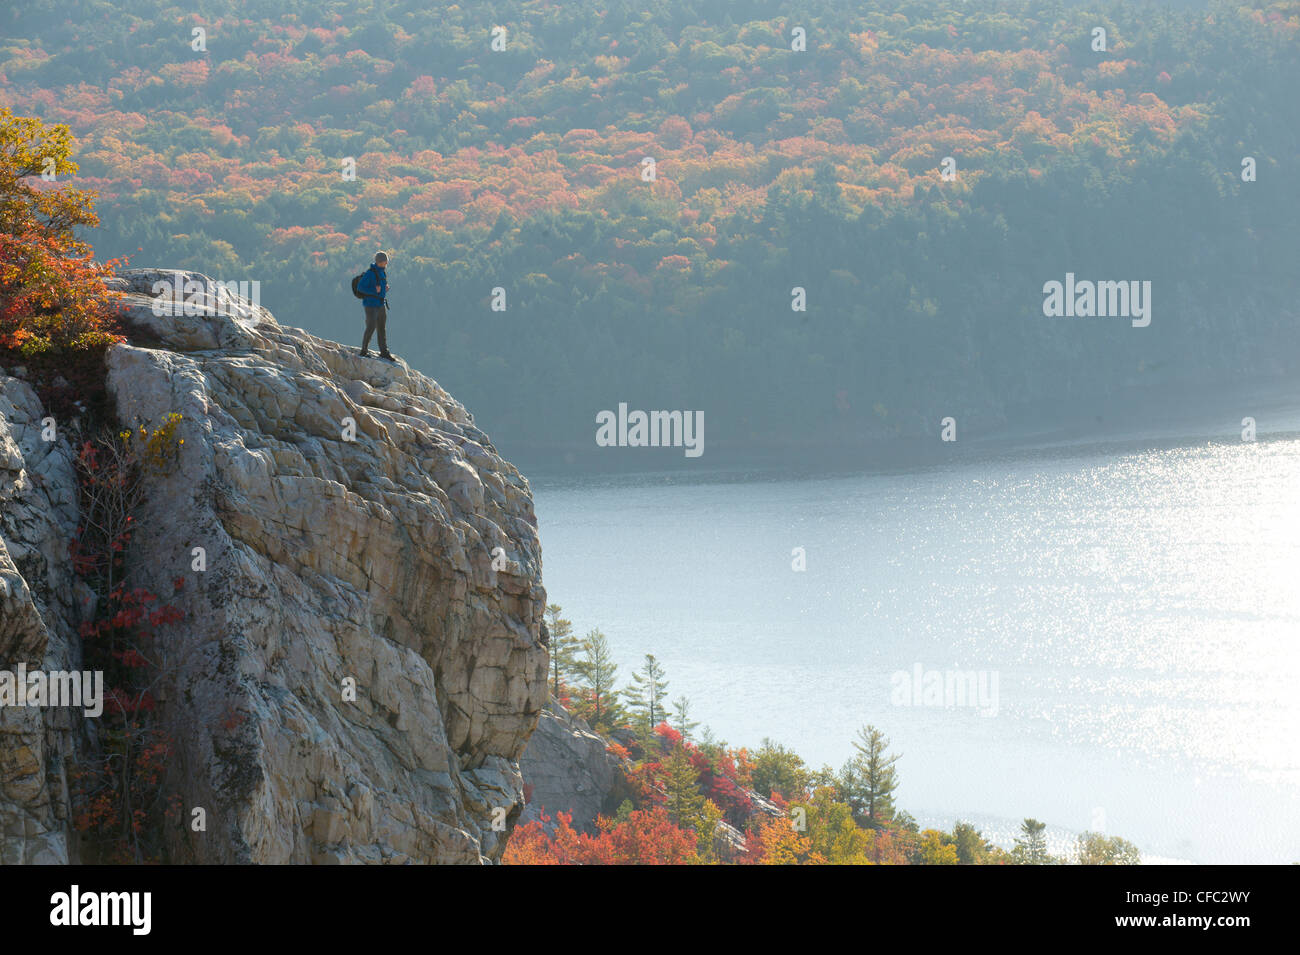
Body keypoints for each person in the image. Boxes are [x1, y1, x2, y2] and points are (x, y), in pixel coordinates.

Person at [358, 251, 393, 361]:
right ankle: (364, 351)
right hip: (371, 305)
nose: (386, 263)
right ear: (379, 262)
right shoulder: (370, 273)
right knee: (371, 326)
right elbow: (360, 287)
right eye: (385, 261)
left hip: (381, 303)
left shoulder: (382, 272)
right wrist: (374, 290)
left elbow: (380, 286)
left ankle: (384, 352)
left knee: (381, 328)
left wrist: (385, 287)